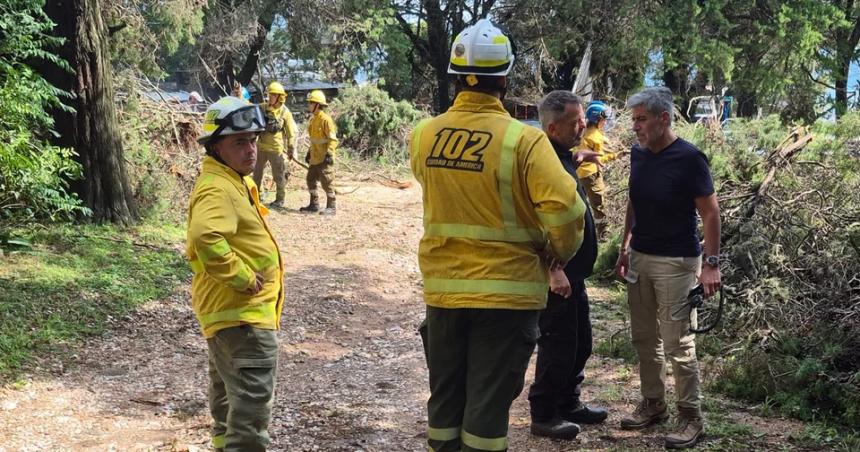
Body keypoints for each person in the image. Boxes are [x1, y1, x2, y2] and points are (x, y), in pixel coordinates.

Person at [410, 19, 587, 452]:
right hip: (506, 295)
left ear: (455, 77)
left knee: (446, 400)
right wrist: (554, 256)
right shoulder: (522, 141)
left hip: (444, 291)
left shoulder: (424, 135)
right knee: (487, 408)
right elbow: (566, 211)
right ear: (504, 78)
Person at [615, 87, 721, 449]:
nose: (635, 127)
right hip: (641, 257)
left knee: (679, 343)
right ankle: (653, 404)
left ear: (664, 119)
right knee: (645, 339)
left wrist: (711, 265)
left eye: (641, 119)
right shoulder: (638, 154)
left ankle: (691, 417)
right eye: (634, 120)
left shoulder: (690, 158)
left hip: (678, 262)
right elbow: (633, 199)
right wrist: (625, 243)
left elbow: (710, 213)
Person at [187, 96, 285, 451]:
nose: (251, 150)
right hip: (242, 318)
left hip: (234, 318)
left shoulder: (233, 180)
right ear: (216, 147)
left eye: (254, 140)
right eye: (239, 142)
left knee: (228, 406)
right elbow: (205, 237)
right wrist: (242, 277)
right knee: (249, 416)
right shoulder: (218, 187)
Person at [527, 91, 608, 440]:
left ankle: (568, 402)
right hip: (556, 275)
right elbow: (532, 221)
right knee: (557, 346)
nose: (582, 126)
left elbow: (569, 160)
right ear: (552, 126)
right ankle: (544, 414)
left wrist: (580, 155)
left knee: (581, 343)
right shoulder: (538, 162)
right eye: (575, 122)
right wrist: (551, 268)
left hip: (575, 273)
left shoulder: (559, 154)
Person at [253, 81, 298, 209]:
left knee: (278, 175)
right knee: (257, 174)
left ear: (279, 97)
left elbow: (290, 133)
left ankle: (280, 199)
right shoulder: (263, 107)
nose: (269, 97)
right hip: (261, 147)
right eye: (269, 94)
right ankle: (258, 195)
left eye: (272, 95)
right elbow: (249, 107)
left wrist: (290, 148)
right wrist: (239, 95)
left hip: (276, 149)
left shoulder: (285, 113)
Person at [576, 100, 616, 240]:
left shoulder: (584, 133)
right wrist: (615, 155)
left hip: (578, 174)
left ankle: (580, 232)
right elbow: (600, 158)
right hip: (591, 175)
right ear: (598, 119)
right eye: (604, 119)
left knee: (580, 204)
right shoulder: (596, 137)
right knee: (598, 204)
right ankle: (603, 232)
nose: (605, 122)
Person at [299, 89, 339, 215]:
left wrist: (330, 153)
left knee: (327, 182)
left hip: (324, 158)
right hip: (315, 157)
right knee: (310, 179)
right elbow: (314, 140)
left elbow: (333, 139)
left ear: (317, 105)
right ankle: (314, 204)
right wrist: (309, 153)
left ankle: (331, 206)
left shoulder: (325, 120)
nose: (309, 105)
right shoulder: (312, 120)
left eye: (311, 102)